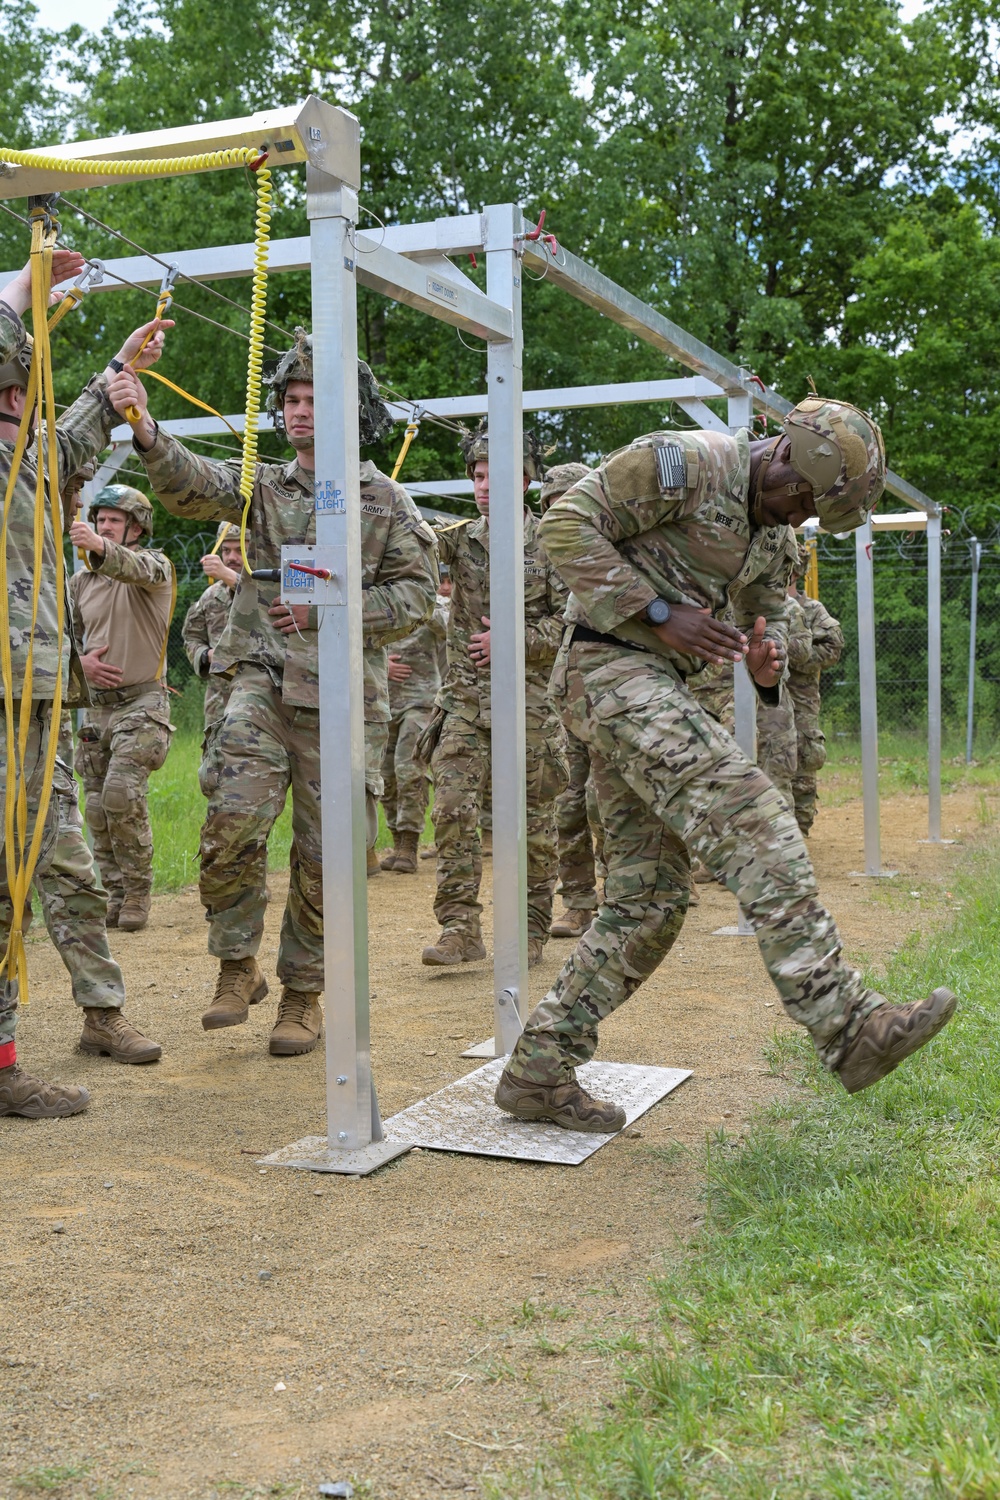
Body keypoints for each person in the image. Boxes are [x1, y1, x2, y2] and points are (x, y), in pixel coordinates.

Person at [494, 399, 956, 1132]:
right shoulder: (686, 463)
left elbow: (758, 622)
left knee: (650, 903)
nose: (796, 517)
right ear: (782, 454)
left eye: (811, 513)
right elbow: (564, 525)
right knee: (754, 813)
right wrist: (653, 610)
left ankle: (538, 1069)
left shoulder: (776, 535)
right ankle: (846, 1023)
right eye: (798, 498)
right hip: (607, 667)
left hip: (659, 689)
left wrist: (765, 666)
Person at [110, 328, 437, 1057]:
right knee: (229, 824)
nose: (298, 411)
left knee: (328, 856)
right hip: (259, 677)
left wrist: (336, 606)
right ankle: (236, 965)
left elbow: (418, 597)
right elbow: (194, 484)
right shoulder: (262, 484)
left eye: (314, 399)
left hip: (344, 699)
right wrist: (145, 426)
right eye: (290, 399)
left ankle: (302, 995)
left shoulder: (383, 500)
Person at [0, 249, 168, 1116]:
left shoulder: (26, 458)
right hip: (4, 699)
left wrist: (119, 372)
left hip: (39, 699)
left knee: (64, 862)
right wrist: (22, 289)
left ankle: (101, 1013)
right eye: (21, 385)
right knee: (3, 877)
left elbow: (67, 441)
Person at [420, 421, 568, 969]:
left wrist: (513, 641)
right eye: (478, 476)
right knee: (454, 812)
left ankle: (529, 928)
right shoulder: (460, 540)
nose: (484, 486)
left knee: (532, 821)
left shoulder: (555, 541)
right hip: (463, 702)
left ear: (525, 481)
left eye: (496, 476)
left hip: (529, 705)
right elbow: (406, 544)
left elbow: (570, 625)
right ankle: (460, 928)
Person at [69, 485, 175, 933]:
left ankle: (137, 892)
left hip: (144, 701)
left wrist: (100, 547)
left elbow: (136, 568)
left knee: (120, 792)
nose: (103, 525)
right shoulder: (80, 583)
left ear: (136, 526)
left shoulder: (156, 566)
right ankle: (113, 893)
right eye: (100, 519)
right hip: (98, 710)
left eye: (113, 519)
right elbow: (69, 638)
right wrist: (82, 664)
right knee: (94, 804)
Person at [539, 462, 605, 941]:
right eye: (549, 506)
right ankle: (579, 902)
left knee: (609, 804)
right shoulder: (540, 563)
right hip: (563, 704)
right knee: (568, 805)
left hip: (609, 702)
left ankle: (625, 899)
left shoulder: (610, 557)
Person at [379, 589, 448, 873]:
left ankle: (409, 845)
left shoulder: (433, 600)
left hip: (420, 701)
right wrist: (381, 665)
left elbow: (446, 627)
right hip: (380, 701)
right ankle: (397, 842)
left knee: (409, 770)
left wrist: (421, 599)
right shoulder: (378, 596)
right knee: (386, 777)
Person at [787, 544, 844, 835]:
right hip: (761, 696)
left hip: (800, 697)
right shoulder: (755, 604)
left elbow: (833, 647)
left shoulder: (811, 610)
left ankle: (800, 826)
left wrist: (797, 657)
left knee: (804, 755)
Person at [181, 522, 242, 794]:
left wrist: (230, 577)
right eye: (226, 550)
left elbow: (265, 602)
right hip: (220, 703)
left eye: (240, 549)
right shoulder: (211, 597)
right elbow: (191, 637)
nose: (231, 557)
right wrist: (206, 655)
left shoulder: (271, 587)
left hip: (267, 703)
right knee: (216, 778)